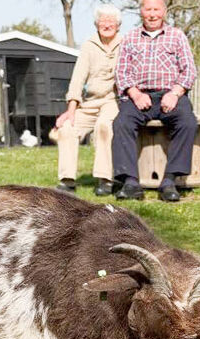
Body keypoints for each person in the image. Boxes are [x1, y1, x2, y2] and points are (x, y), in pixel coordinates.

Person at [111, 0, 197, 202]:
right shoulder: (130, 38)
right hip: (140, 96)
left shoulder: (177, 36)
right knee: (121, 123)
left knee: (188, 122)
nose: (152, 14)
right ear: (141, 12)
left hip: (171, 94)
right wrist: (135, 93)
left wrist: (175, 93)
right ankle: (131, 182)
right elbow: (121, 72)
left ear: (164, 12)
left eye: (156, 10)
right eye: (147, 9)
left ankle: (170, 181)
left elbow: (189, 70)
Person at [55, 4, 123, 196]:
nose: (107, 24)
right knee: (67, 128)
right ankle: (67, 180)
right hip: (90, 101)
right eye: (103, 21)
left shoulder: (125, 43)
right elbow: (78, 78)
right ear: (96, 24)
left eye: (111, 21)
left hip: (113, 100)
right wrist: (71, 111)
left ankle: (105, 179)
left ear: (118, 25)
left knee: (103, 126)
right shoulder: (88, 45)